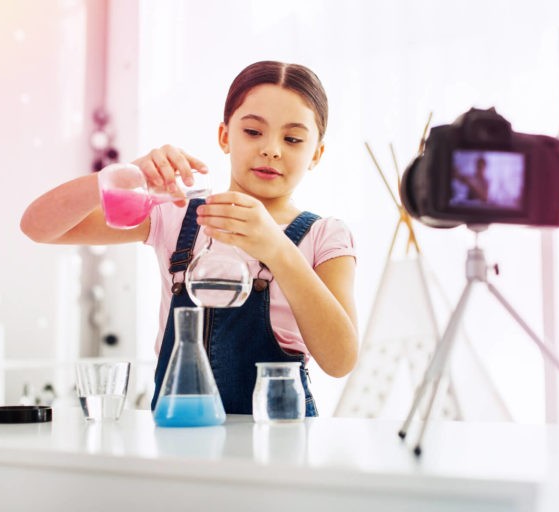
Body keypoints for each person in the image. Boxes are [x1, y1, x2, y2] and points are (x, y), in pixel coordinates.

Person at [20, 61, 359, 416]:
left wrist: (277, 249)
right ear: (225, 136)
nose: (271, 149)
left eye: (292, 139)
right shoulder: (177, 212)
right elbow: (38, 226)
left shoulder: (325, 236)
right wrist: (126, 175)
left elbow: (340, 361)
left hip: (278, 438)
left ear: (317, 153)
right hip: (177, 433)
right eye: (253, 132)